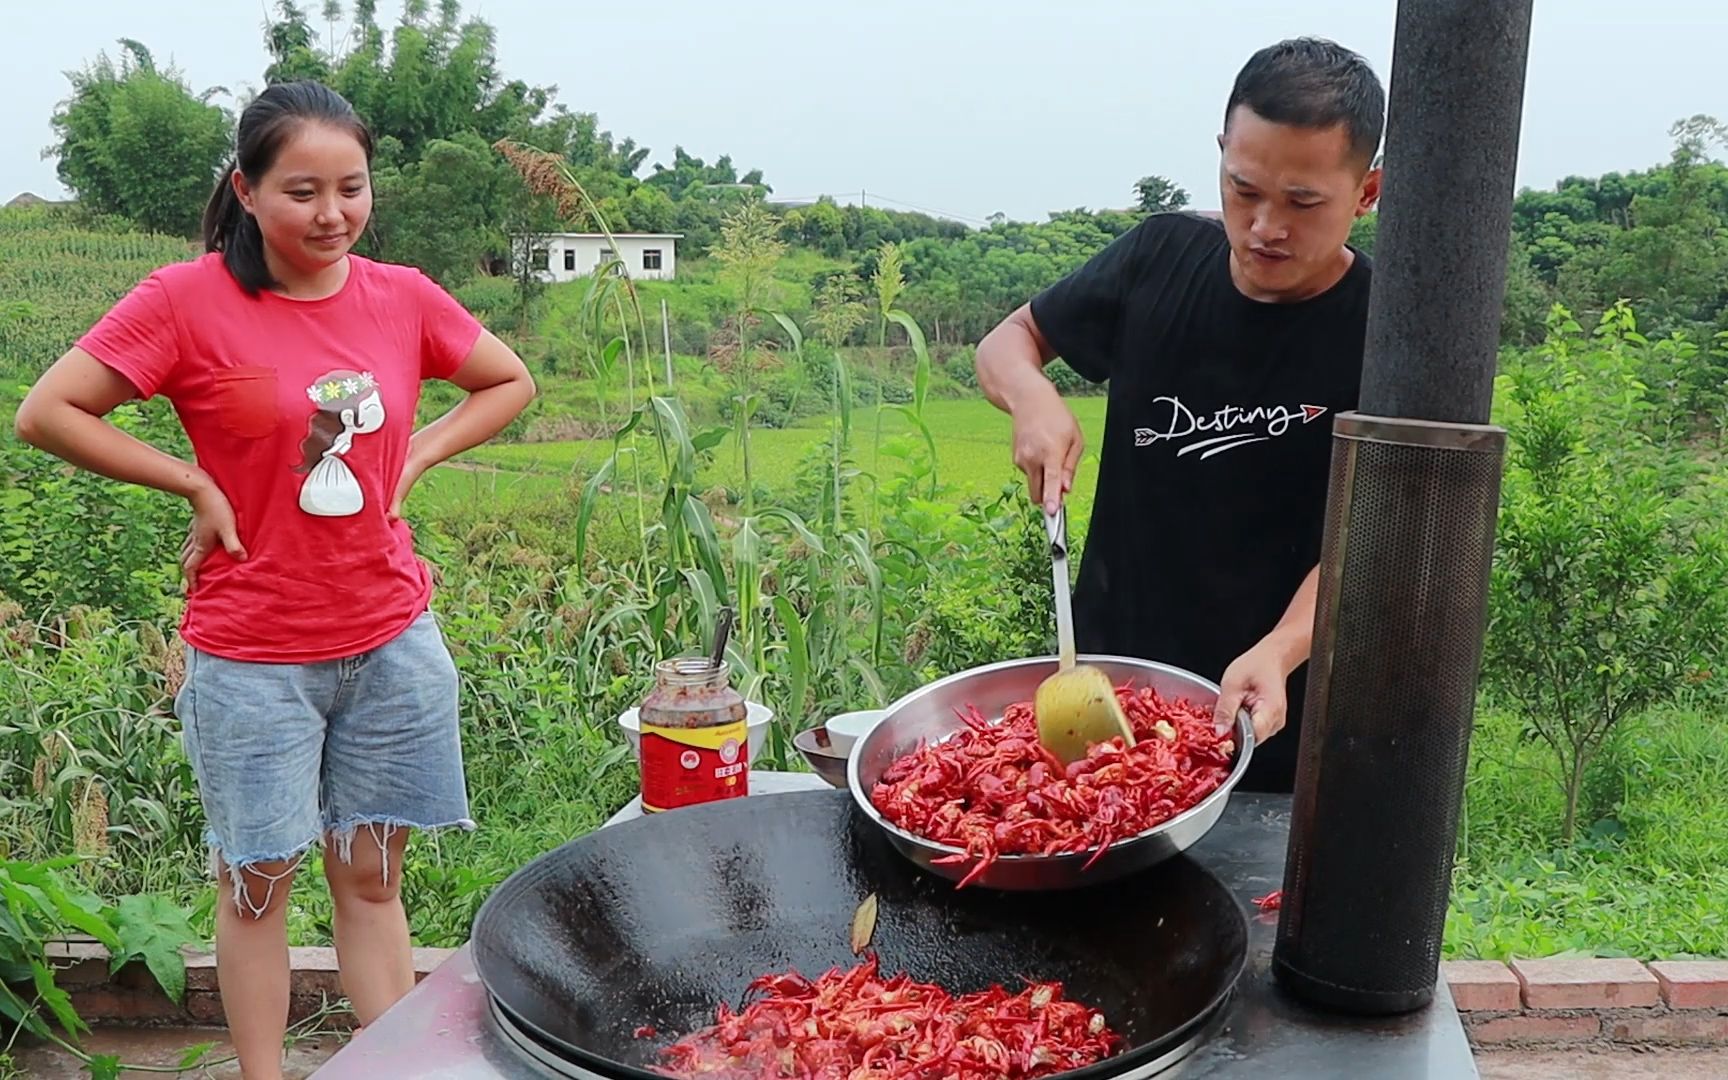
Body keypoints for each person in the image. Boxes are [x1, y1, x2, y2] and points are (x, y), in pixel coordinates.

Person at [14, 80, 536, 1078]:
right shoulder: (185, 300)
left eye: (351, 187)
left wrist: (417, 456)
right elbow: (48, 411)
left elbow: (508, 378)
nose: (332, 214)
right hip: (254, 655)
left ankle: (389, 1069)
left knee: (373, 881)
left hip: (391, 637)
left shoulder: (402, 296)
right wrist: (191, 482)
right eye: (303, 190)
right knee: (257, 883)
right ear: (246, 190)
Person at [975, 37, 1384, 793]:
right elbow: (1009, 339)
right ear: (1223, 152)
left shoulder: (1385, 330)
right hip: (1108, 694)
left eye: (1302, 202)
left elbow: (1371, 534)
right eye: (1244, 188)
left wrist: (1286, 646)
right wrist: (1033, 398)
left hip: (1269, 705)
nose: (1265, 226)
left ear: (1366, 192)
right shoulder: (1160, 256)